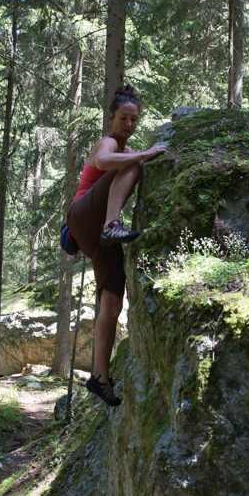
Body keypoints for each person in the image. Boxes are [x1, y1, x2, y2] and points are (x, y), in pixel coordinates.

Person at [66, 84, 167, 406]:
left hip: (92, 234)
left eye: (135, 120)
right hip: (85, 216)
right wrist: (146, 154)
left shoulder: (125, 149)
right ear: (111, 118)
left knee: (112, 304)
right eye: (124, 118)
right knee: (132, 164)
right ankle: (113, 225)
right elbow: (102, 159)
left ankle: (100, 376)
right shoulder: (109, 143)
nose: (129, 125)